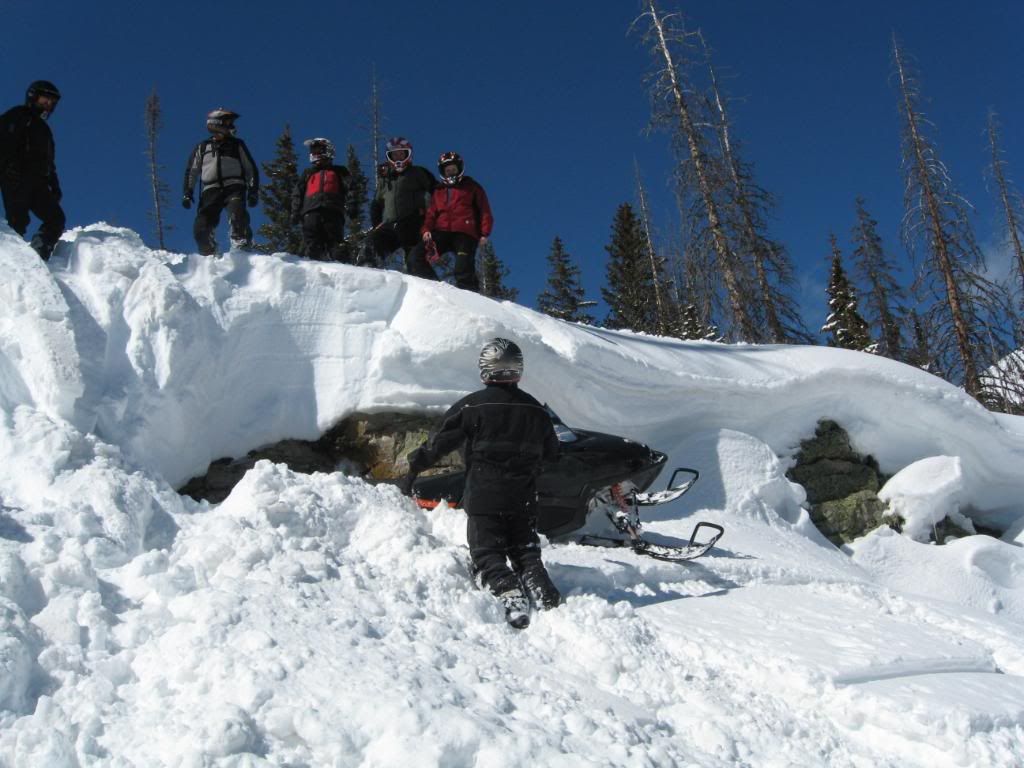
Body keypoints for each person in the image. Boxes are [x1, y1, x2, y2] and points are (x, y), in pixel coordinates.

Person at [400, 338, 563, 628]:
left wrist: (414, 466)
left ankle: (507, 589)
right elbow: (553, 455)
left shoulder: (472, 406)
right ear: (518, 370)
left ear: (485, 370)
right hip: (524, 496)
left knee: (486, 551)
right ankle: (543, 590)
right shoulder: (537, 410)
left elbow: (439, 442)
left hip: (484, 494)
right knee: (525, 549)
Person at [0, 80, 65, 261]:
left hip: (38, 182)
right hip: (15, 177)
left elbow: (49, 163)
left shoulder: (45, 131)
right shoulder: (18, 115)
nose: (49, 104)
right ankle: (10, 265)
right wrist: (7, 168)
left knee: (56, 218)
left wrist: (55, 185)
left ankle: (38, 256)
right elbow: (4, 141)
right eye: (46, 99)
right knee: (17, 223)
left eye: (53, 102)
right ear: (33, 96)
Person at [182, 108, 259, 254]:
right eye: (229, 123)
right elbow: (191, 171)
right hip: (210, 190)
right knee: (200, 229)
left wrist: (253, 191)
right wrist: (187, 192)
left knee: (238, 216)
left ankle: (242, 246)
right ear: (217, 124)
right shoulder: (202, 147)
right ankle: (209, 254)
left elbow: (250, 168)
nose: (232, 127)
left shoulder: (237, 145)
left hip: (234, 187)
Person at [421, 151, 492, 292]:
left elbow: (484, 210)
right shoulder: (439, 191)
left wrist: (484, 232)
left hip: (465, 233)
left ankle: (470, 296)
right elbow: (431, 214)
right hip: (442, 232)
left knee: (462, 268)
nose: (451, 173)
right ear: (443, 172)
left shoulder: (472, 187)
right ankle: (434, 290)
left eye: (453, 169)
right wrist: (426, 229)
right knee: (416, 258)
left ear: (459, 169)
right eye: (448, 171)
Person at [369, 137, 437, 279]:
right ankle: (367, 275)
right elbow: (376, 203)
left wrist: (432, 217)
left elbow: (437, 191)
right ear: (389, 157)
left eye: (402, 154)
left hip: (413, 222)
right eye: (394, 155)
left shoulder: (418, 173)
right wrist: (376, 224)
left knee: (414, 261)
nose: (398, 158)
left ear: (408, 155)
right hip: (390, 224)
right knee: (371, 246)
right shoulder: (385, 179)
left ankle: (432, 289)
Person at [291, 138, 349, 261]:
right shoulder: (308, 173)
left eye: (318, 151)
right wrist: (295, 211)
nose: (315, 155)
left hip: (332, 211)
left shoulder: (339, 171)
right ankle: (312, 270)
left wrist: (352, 204)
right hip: (310, 212)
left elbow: (352, 187)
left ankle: (343, 271)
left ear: (327, 152)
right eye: (313, 151)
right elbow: (298, 193)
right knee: (312, 244)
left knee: (336, 244)